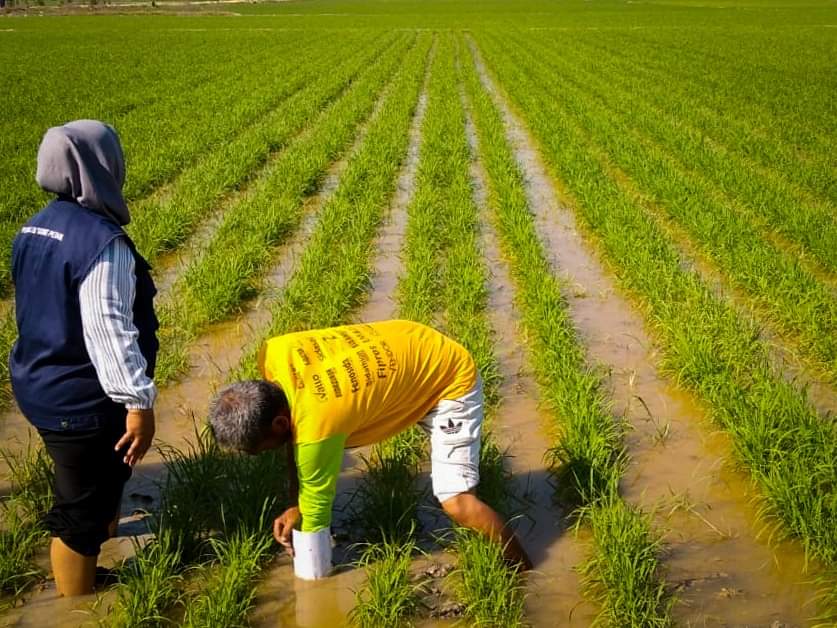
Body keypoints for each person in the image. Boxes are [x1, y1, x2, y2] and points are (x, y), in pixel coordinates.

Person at [208, 320, 531, 571]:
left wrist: (310, 582)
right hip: (409, 343)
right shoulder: (274, 354)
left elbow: (316, 515)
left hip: (447, 377)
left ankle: (524, 568)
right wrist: (296, 505)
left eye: (261, 448)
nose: (264, 453)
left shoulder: (318, 424)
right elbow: (295, 446)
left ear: (279, 422)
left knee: (456, 501)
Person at [10, 120, 159, 596]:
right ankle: (79, 602)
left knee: (97, 479)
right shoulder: (99, 241)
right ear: (102, 167)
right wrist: (137, 403)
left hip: (41, 380)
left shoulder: (34, 226)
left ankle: (100, 543)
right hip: (81, 398)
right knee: (79, 512)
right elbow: (108, 329)